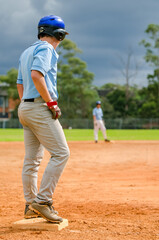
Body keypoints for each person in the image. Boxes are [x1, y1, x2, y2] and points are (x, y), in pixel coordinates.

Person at [17, 15, 70, 223]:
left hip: (26, 108)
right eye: (61, 36)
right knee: (61, 153)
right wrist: (50, 103)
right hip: (39, 107)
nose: (60, 40)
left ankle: (31, 205)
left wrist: (26, 104)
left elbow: (20, 82)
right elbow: (36, 75)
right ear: (57, 34)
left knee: (32, 161)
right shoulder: (46, 49)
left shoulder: (26, 50)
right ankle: (43, 201)